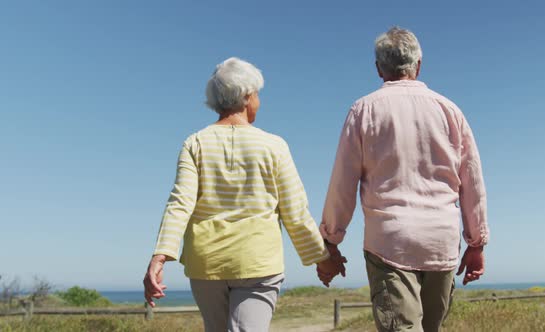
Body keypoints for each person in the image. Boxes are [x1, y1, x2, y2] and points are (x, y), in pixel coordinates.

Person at [143, 57, 346, 332]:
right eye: (257, 94)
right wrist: (323, 258)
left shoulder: (195, 143)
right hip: (258, 263)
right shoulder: (274, 146)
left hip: (206, 264)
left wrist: (160, 256)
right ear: (247, 96)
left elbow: (180, 203)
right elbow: (294, 212)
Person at [319, 27, 490, 332]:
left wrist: (330, 241)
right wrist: (476, 244)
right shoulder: (450, 110)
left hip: (389, 242)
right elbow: (472, 183)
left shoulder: (364, 110)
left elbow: (342, 183)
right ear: (419, 64)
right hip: (441, 243)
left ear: (378, 68)